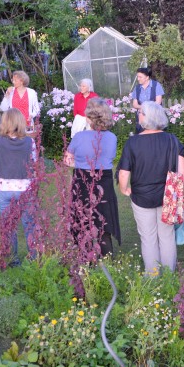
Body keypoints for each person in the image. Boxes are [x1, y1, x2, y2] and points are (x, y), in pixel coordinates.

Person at [118, 101, 184, 274]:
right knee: (167, 236)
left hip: (141, 196)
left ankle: (153, 276)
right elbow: (181, 173)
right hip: (167, 196)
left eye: (140, 112)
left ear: (147, 118)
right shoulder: (172, 140)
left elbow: (124, 173)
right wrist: (177, 192)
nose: (138, 115)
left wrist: (124, 189)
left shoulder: (133, 142)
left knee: (148, 238)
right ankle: (169, 276)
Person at [65, 98, 121, 256]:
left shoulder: (79, 137)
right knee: (104, 217)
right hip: (105, 180)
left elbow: (68, 160)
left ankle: (84, 254)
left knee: (82, 217)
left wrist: (80, 161)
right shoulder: (112, 137)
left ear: (89, 118)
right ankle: (107, 255)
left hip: (82, 180)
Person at [0, 108, 36, 266]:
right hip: (25, 188)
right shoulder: (29, 142)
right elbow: (33, 162)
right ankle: (34, 257)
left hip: (4, 189)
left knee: (9, 225)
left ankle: (13, 260)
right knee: (29, 223)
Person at [131, 67, 164, 133]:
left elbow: (158, 102)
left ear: (147, 77)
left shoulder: (156, 85)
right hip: (141, 119)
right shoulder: (137, 88)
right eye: (138, 77)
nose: (138, 79)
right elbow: (135, 104)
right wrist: (144, 108)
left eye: (140, 77)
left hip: (155, 119)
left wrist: (147, 109)